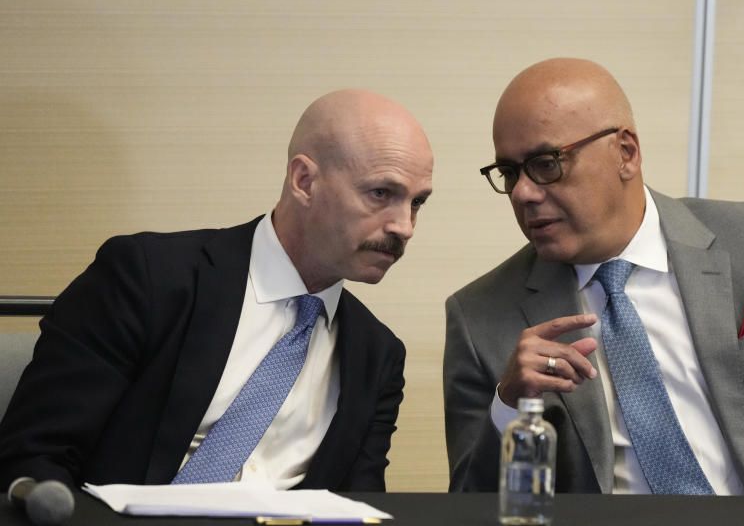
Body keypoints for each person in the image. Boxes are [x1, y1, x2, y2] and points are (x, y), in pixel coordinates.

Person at [443, 58, 744, 495]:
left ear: (625, 152)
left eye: (547, 164)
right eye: (509, 173)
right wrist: (509, 408)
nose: (522, 193)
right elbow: (467, 511)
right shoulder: (481, 317)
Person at [0, 88, 434, 492]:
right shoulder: (146, 280)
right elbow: (34, 459)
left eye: (416, 202)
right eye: (381, 192)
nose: (405, 227)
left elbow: (358, 516)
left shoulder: (377, 356)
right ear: (304, 181)